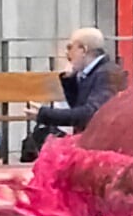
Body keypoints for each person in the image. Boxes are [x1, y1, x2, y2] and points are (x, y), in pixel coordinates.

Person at [25, 27, 118, 156]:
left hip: (101, 147)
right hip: (92, 142)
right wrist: (70, 81)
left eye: (70, 47)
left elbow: (89, 114)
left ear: (83, 50)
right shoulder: (93, 72)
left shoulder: (106, 73)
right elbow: (78, 106)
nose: (67, 53)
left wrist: (45, 114)